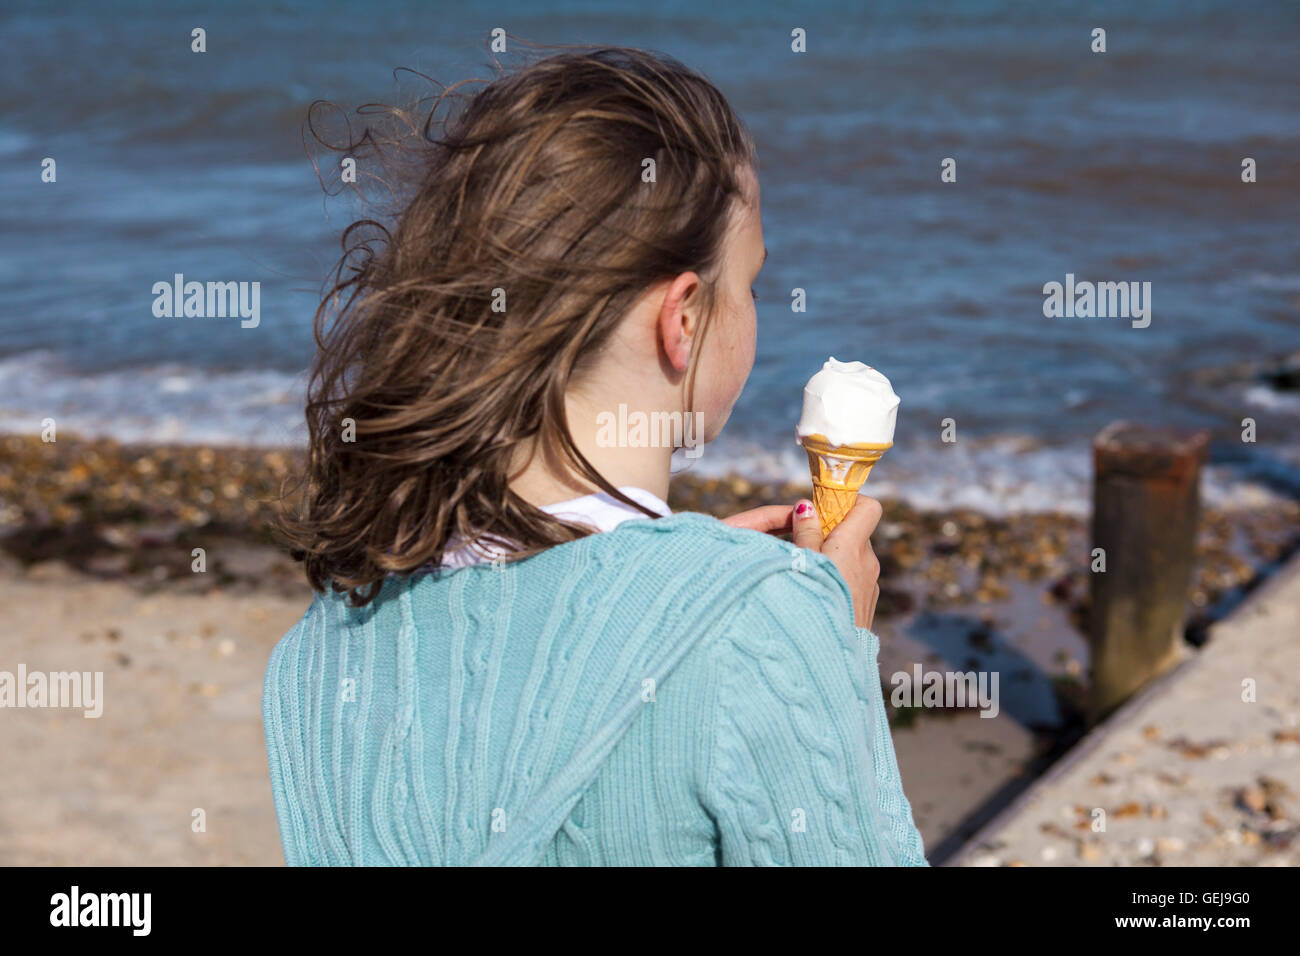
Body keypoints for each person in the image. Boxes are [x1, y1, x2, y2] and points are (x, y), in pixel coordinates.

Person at [263, 46, 927, 866]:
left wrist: (668, 593)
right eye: (750, 282)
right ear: (681, 319)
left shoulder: (318, 659)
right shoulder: (760, 626)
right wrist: (829, 650)